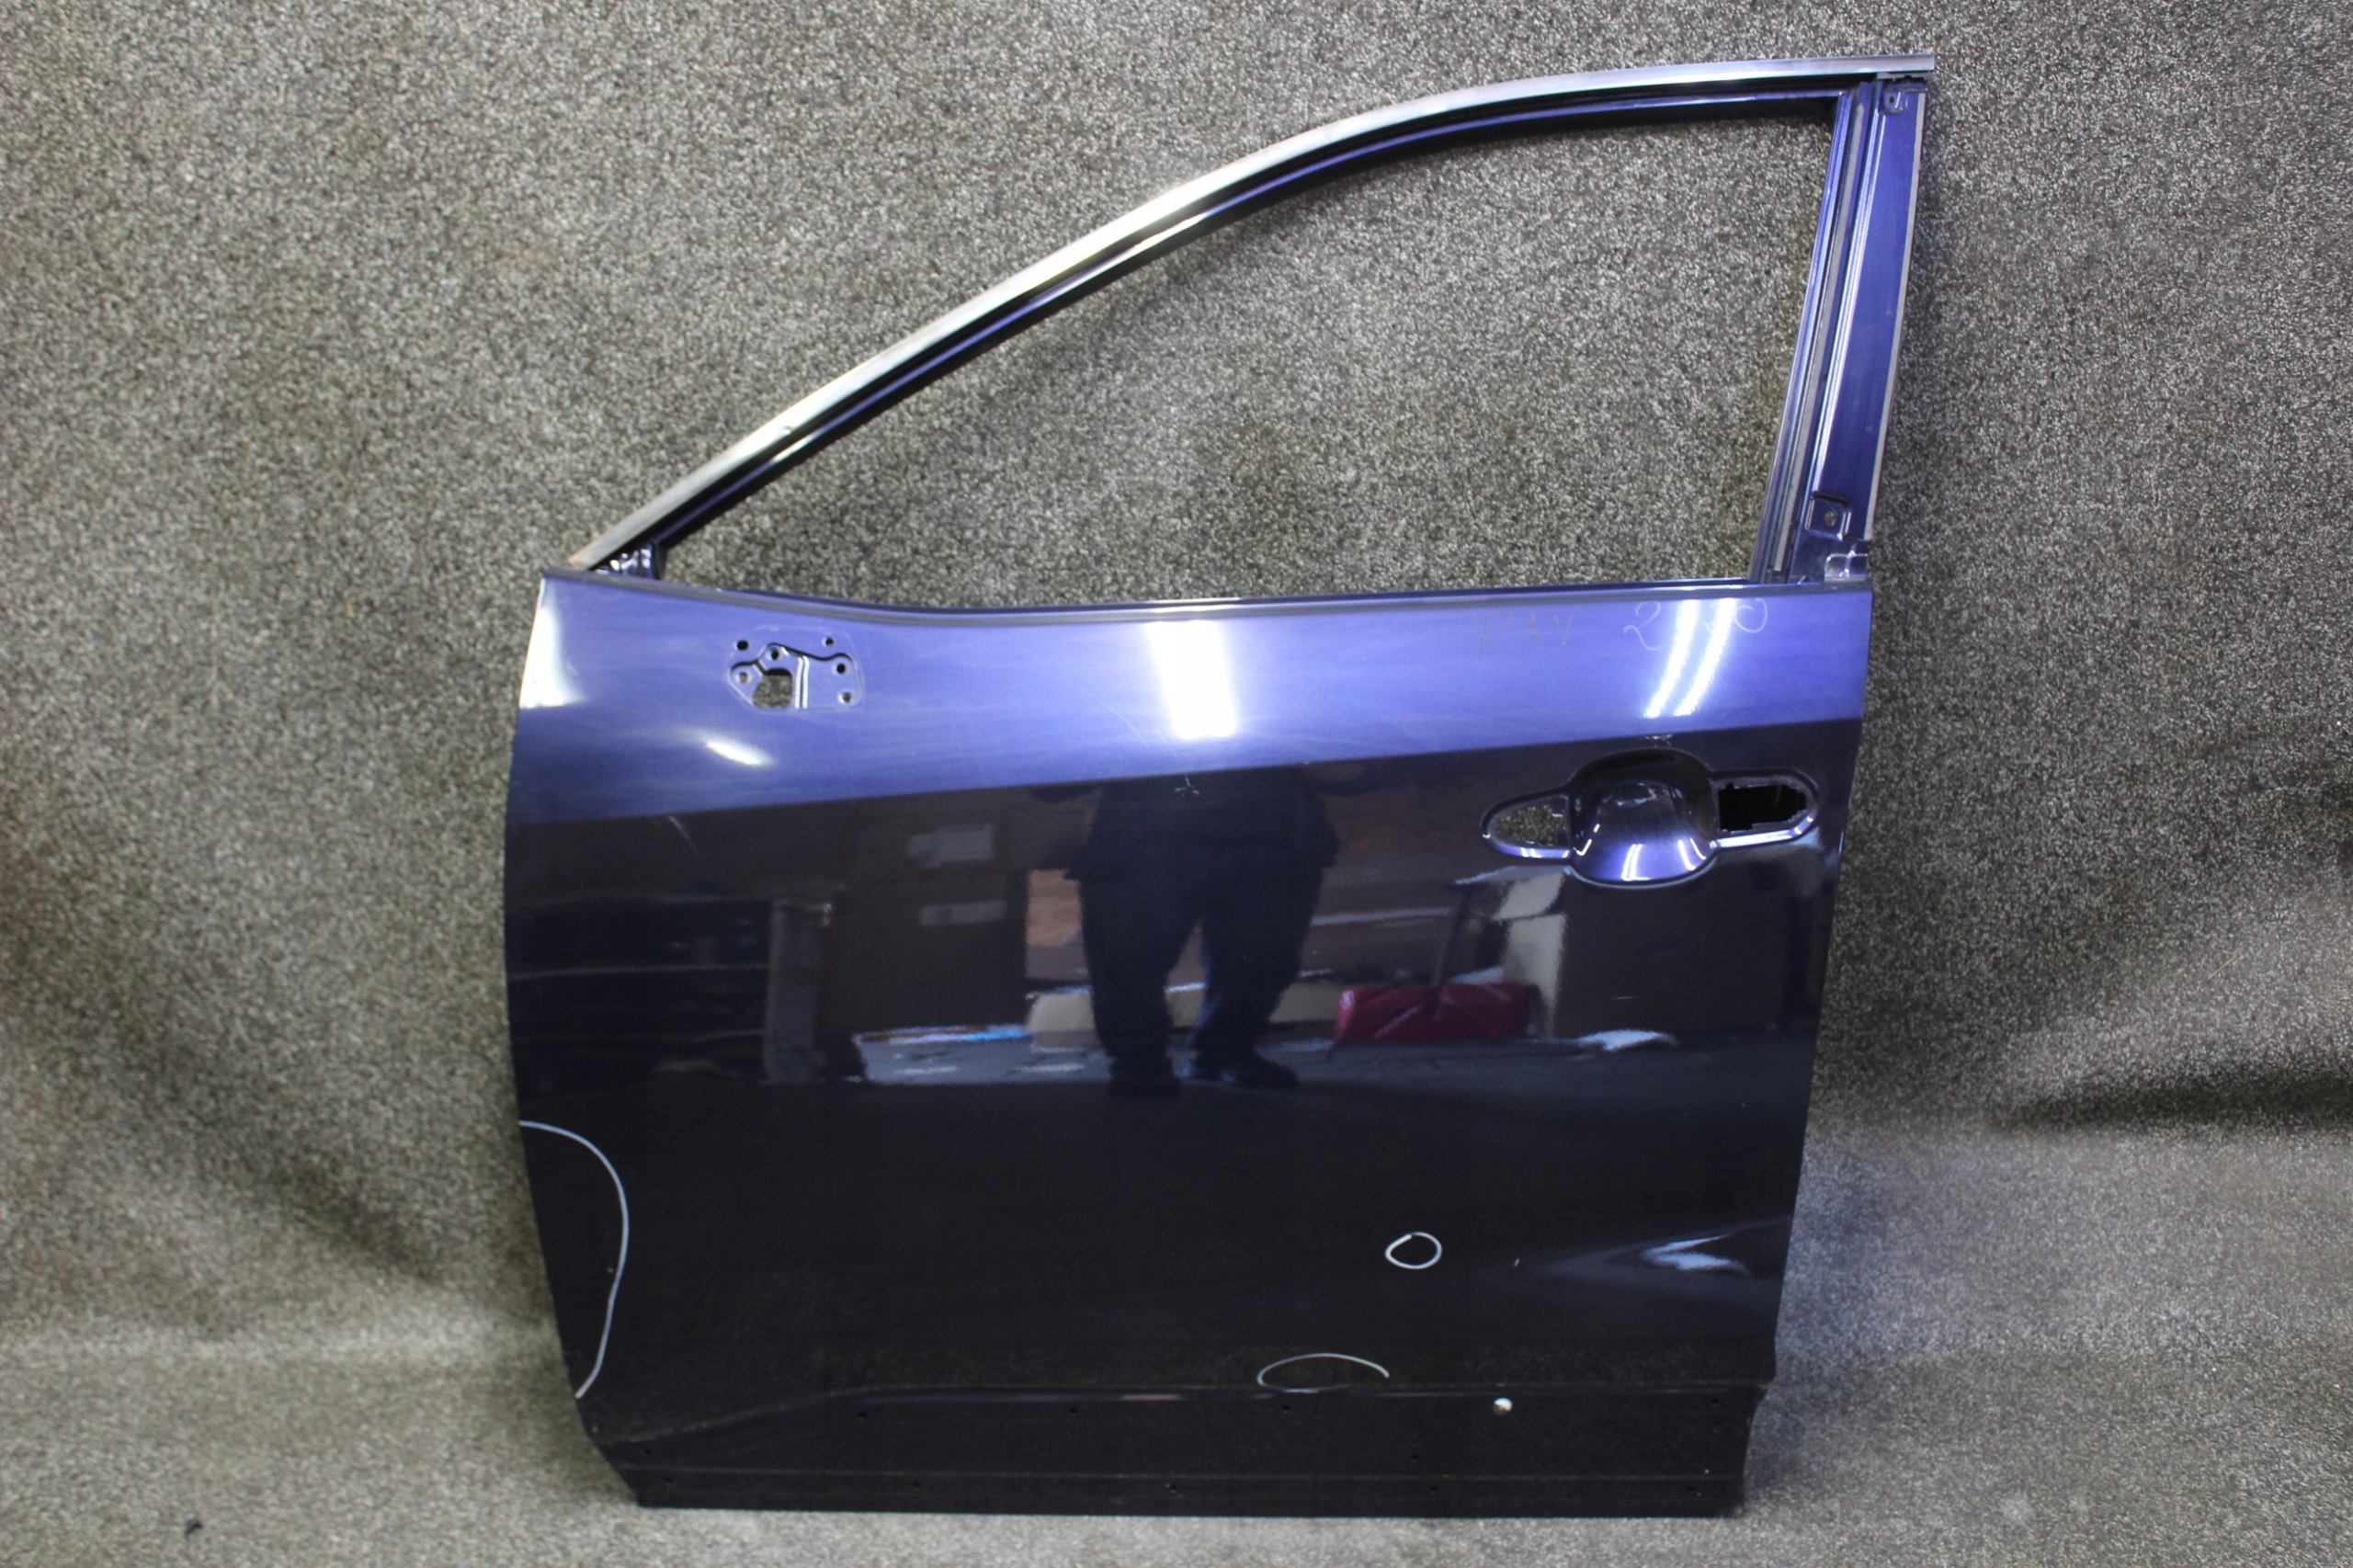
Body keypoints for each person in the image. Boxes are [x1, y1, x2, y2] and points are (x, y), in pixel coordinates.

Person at [1068, 767, 1345, 1097]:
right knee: (1128, 955)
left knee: (1263, 953)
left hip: (1266, 831)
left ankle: (1223, 1049)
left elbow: (1357, 773)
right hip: (1145, 832)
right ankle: (1139, 1059)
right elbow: (1059, 779)